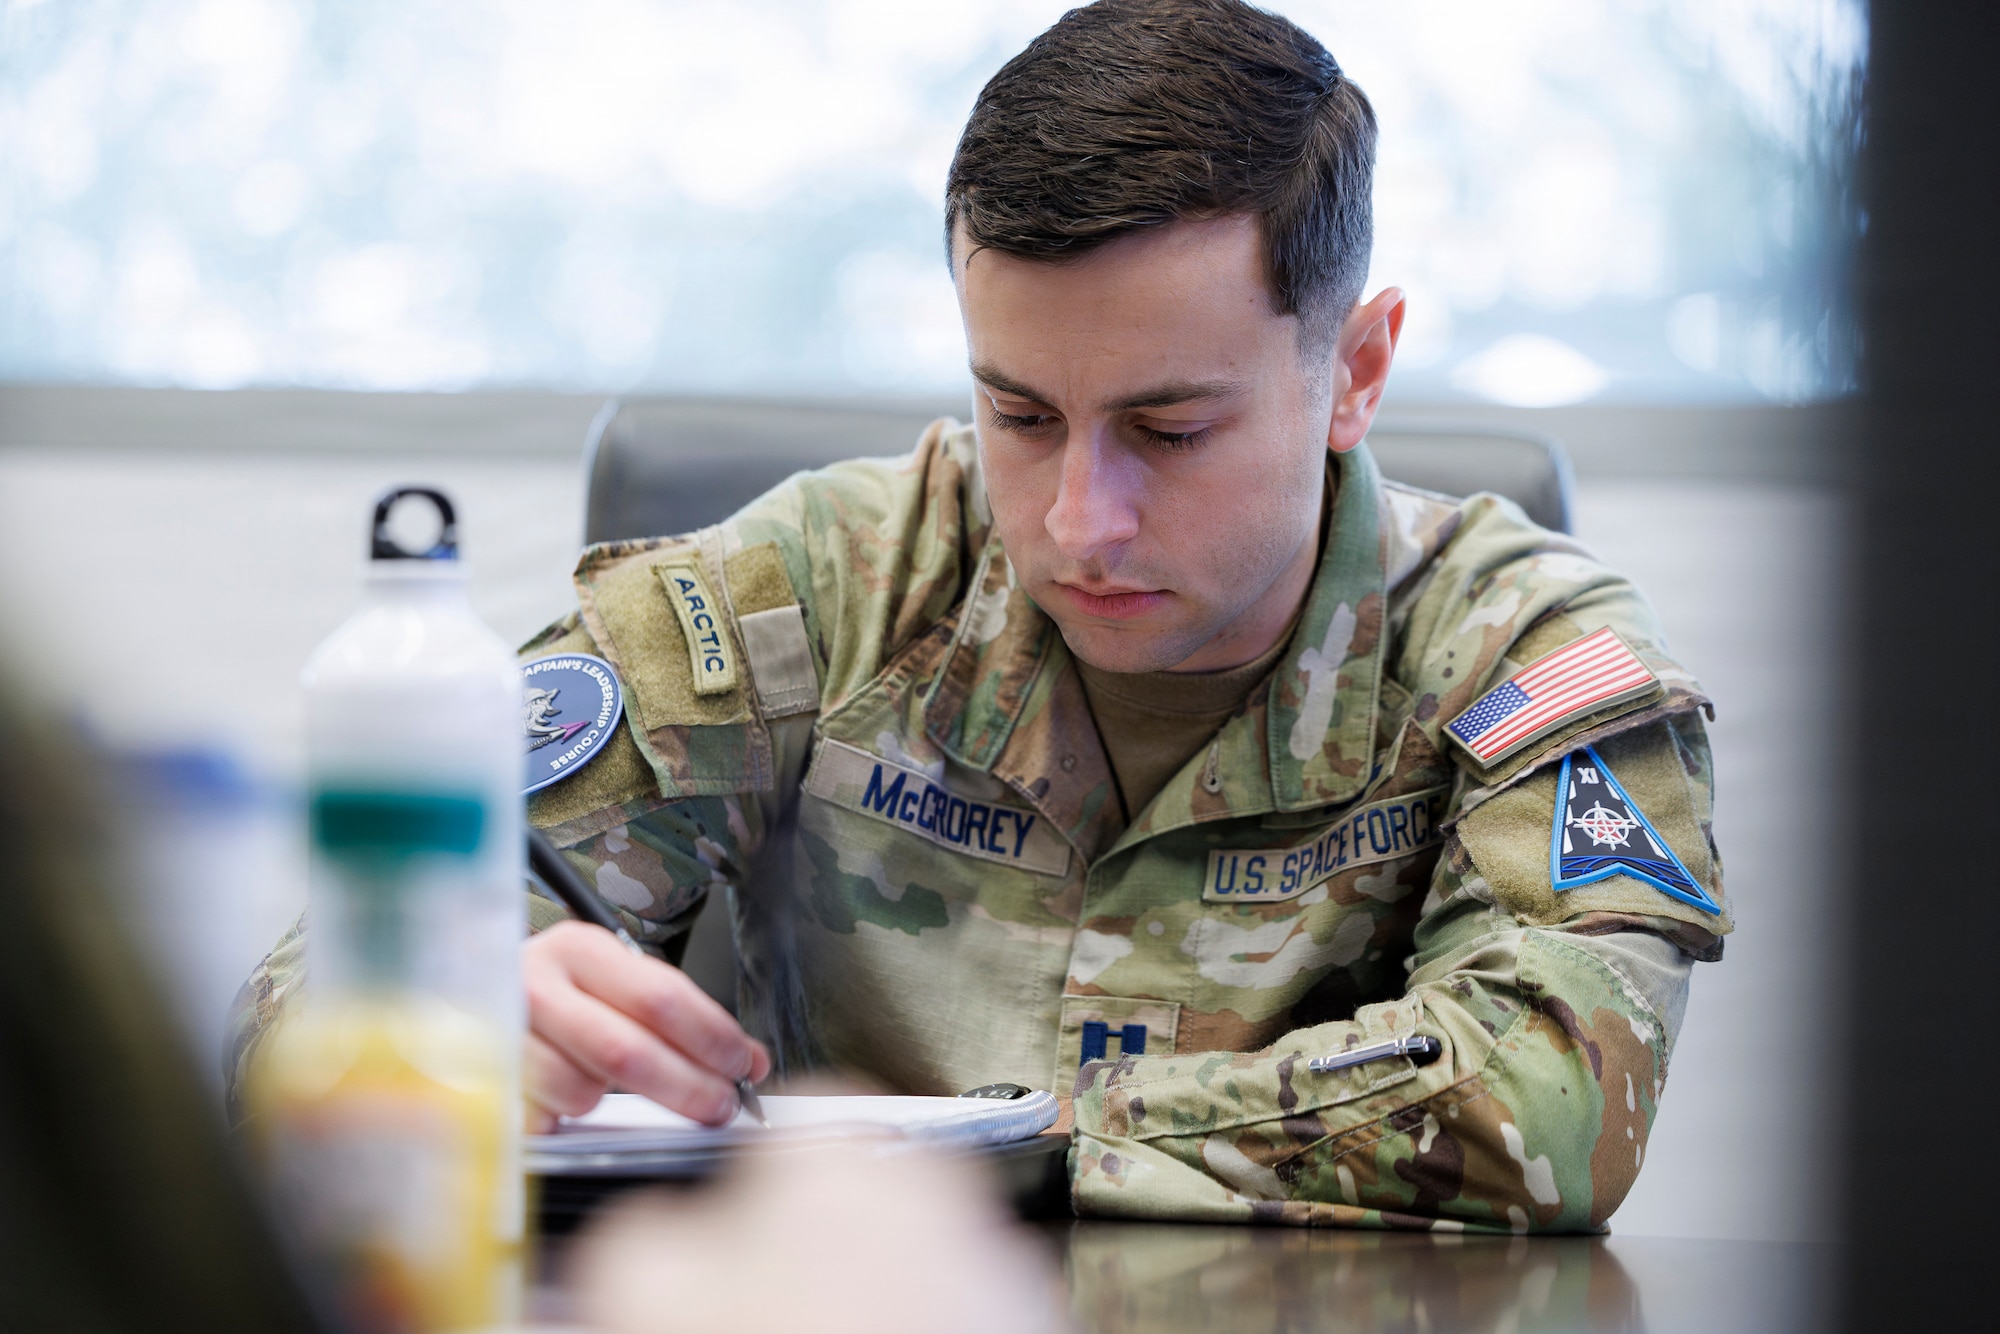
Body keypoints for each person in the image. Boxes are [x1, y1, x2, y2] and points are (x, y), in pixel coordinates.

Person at [234, 0, 1729, 1231]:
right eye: (1019, 411)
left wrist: (993, 1144)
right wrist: (447, 1009)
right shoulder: (809, 593)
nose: (1081, 518)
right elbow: (303, 1011)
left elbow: (1552, 1101)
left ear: (1355, 368)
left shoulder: (1525, 651)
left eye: (1169, 429)